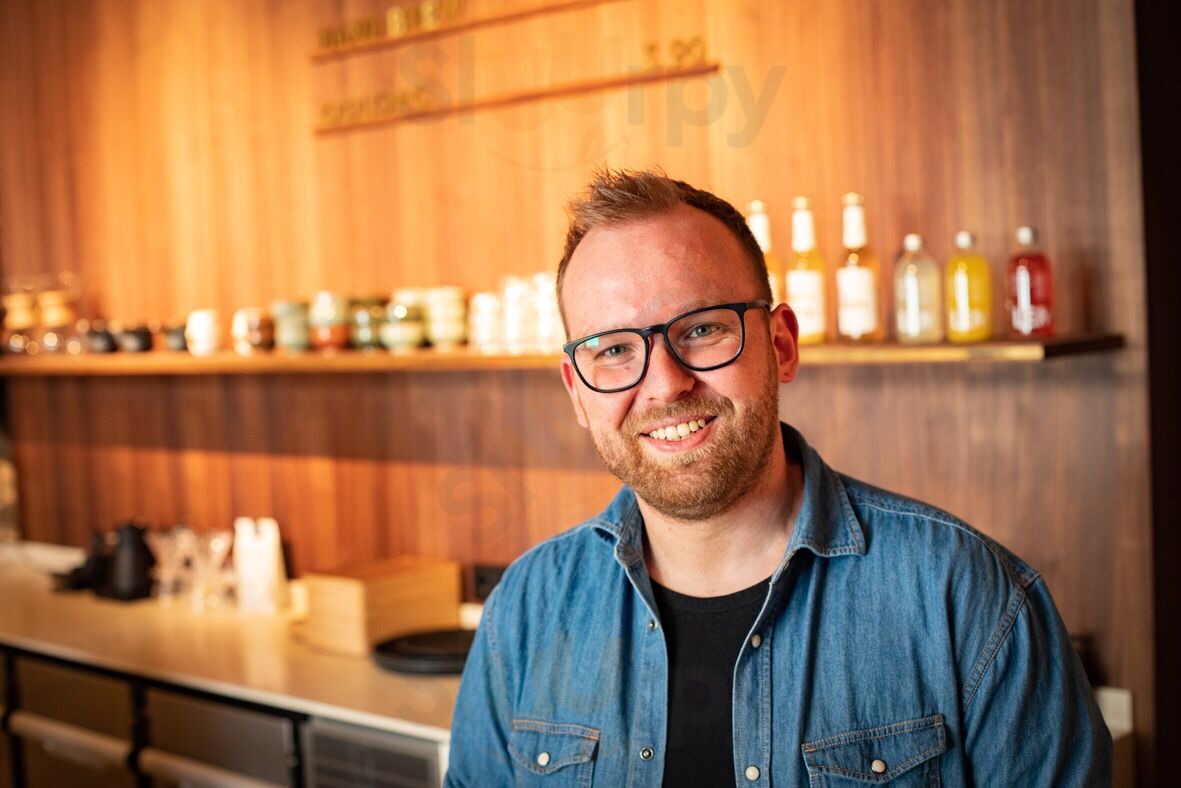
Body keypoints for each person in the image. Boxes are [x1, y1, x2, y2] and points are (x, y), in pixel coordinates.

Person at [444, 169, 1111, 787]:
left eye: (701, 329)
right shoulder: (525, 611)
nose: (665, 384)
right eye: (614, 349)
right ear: (576, 391)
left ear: (781, 345)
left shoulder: (967, 596)